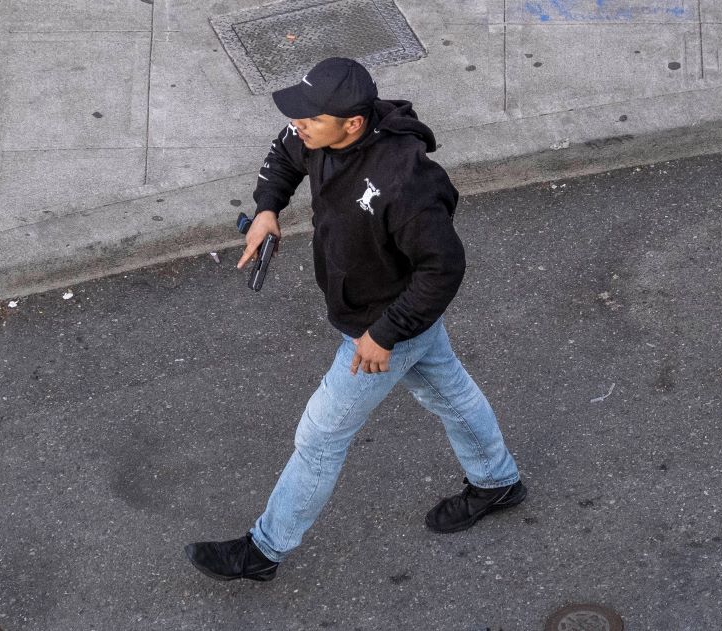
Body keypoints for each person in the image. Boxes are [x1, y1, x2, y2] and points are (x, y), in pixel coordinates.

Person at [185, 58, 526, 582]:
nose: (298, 124)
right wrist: (267, 208)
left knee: (320, 436)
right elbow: (283, 152)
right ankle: (497, 481)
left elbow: (443, 268)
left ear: (353, 124)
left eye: (310, 117)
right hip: (375, 315)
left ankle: (263, 551)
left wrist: (385, 334)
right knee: (450, 393)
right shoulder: (318, 135)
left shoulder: (406, 183)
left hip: (385, 322)